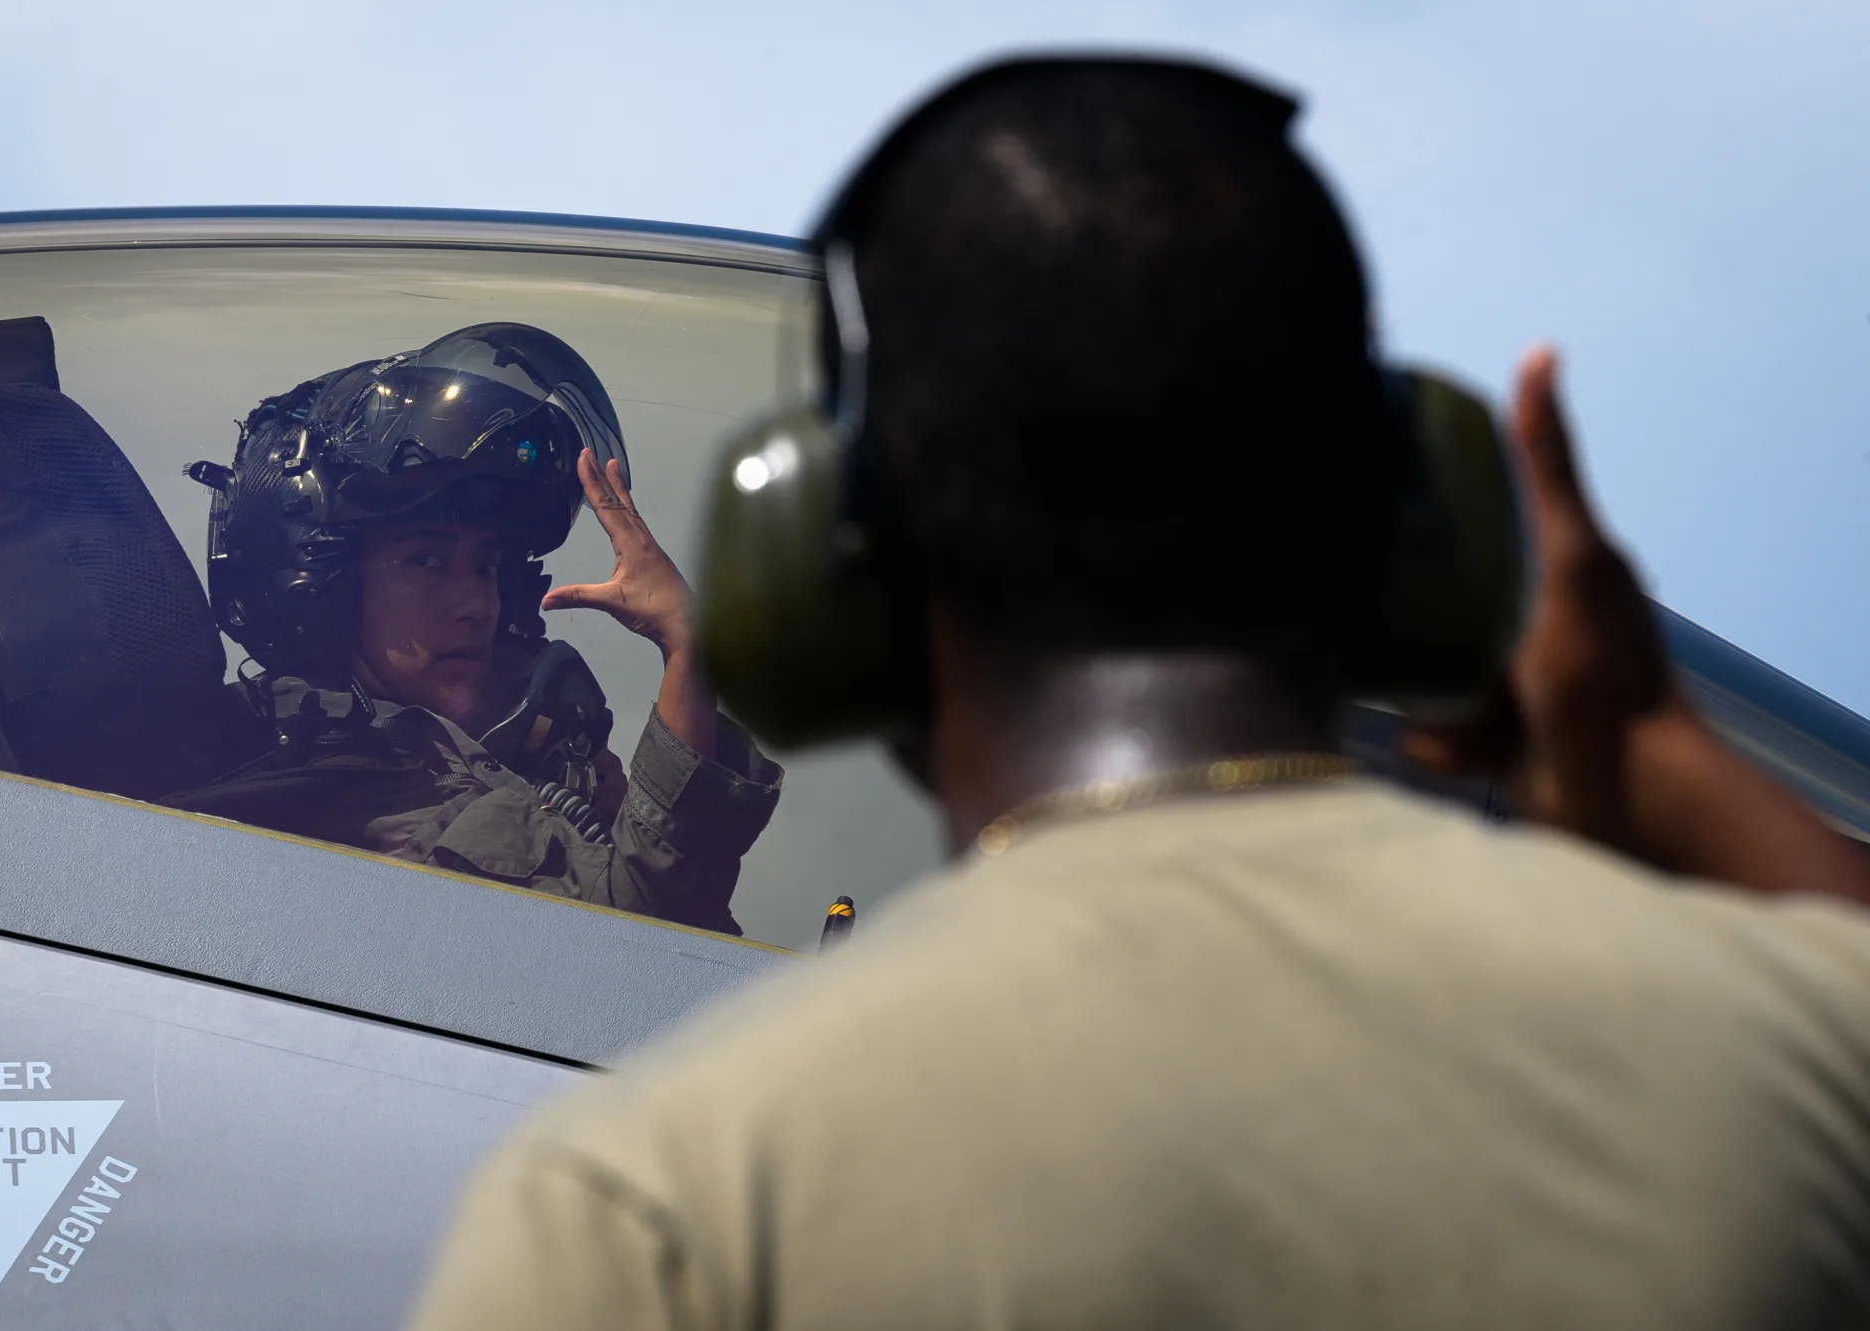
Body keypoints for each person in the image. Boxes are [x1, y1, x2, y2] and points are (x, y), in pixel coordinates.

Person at [405, 56, 1870, 1330]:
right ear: (1412, 521)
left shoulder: (651, 1218)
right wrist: (1655, 753)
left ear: (829, 554)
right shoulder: (1801, 1063)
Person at [161, 323, 781, 935]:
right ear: (329, 586)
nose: (475, 604)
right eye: (425, 561)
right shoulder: (359, 797)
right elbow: (644, 935)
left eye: (486, 567)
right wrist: (687, 647)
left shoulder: (467, 746)